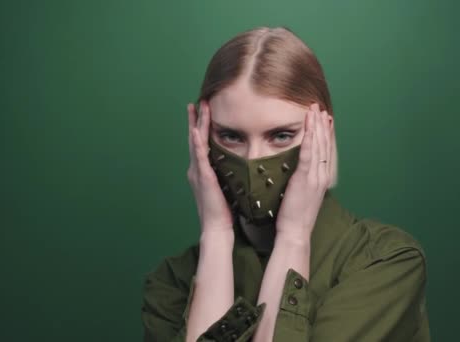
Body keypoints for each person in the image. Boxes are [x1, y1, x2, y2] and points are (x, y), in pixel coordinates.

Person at [141, 26, 430, 342]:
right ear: (202, 137)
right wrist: (216, 237)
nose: (253, 161)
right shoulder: (173, 283)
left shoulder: (385, 262)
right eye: (231, 137)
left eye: (281, 136)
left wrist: (293, 237)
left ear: (324, 133)